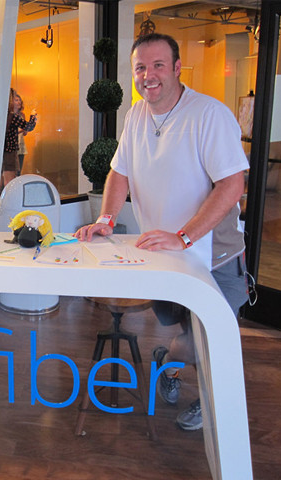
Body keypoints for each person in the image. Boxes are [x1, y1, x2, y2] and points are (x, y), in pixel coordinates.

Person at [74, 33, 249, 431]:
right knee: (185, 331)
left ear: (177, 68)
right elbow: (120, 172)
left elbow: (232, 185)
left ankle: (209, 403)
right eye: (140, 67)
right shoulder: (136, 115)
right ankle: (169, 366)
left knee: (211, 336)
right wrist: (106, 220)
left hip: (212, 254)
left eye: (157, 65)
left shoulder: (209, 114)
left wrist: (184, 236)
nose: (148, 75)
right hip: (163, 254)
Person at [2, 88, 36, 189]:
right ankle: (10, 197)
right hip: (10, 151)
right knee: (10, 180)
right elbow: (28, 127)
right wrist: (33, 117)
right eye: (14, 99)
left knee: (2, 179)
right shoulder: (12, 116)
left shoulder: (2, 115)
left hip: (1, 151)